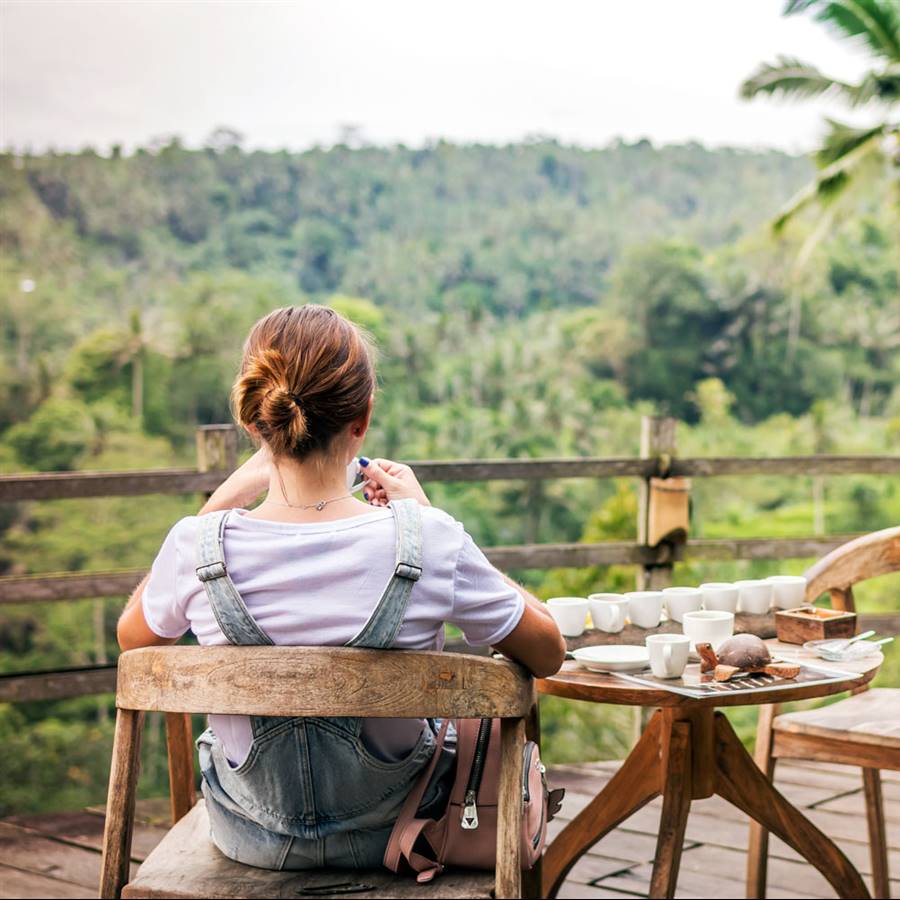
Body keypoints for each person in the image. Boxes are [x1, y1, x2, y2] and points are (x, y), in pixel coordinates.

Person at [117, 304, 566, 870]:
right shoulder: (428, 540)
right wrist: (431, 518)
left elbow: (134, 641)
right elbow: (548, 650)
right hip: (405, 829)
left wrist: (220, 504)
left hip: (247, 835)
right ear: (364, 418)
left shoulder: (195, 548)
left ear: (256, 421)